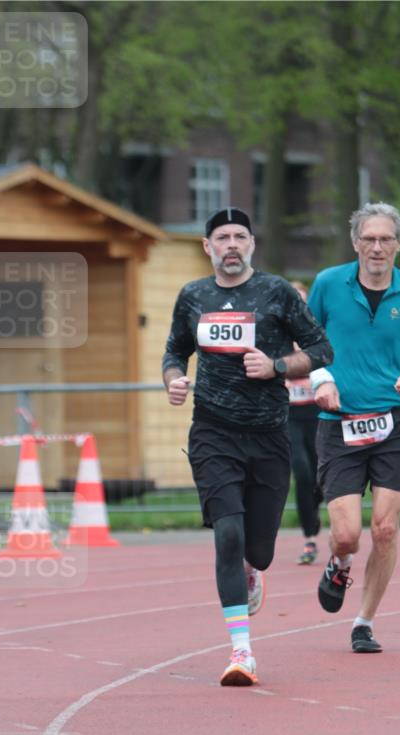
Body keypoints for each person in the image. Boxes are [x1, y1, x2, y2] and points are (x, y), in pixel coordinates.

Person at [162, 207, 333, 686]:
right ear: (208, 247)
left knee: (258, 550)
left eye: (240, 236)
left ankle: (254, 571)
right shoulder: (193, 296)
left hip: (269, 433)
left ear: (252, 244)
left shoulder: (276, 292)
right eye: (222, 237)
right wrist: (175, 380)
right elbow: (175, 351)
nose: (231, 244)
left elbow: (322, 351)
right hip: (213, 433)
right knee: (228, 534)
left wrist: (277, 367)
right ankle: (242, 651)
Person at [308, 202, 400, 653]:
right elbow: (304, 339)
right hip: (339, 424)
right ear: (355, 243)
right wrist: (322, 379)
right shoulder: (328, 284)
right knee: (349, 534)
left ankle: (364, 622)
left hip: (393, 423)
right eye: (368, 239)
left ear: (398, 244)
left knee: (385, 530)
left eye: (385, 239)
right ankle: (338, 562)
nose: (376, 247)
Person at [286, 281, 322, 565]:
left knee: (321, 476)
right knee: (302, 472)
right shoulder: (274, 334)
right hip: (288, 415)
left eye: (301, 299)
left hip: (319, 413)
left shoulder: (317, 333)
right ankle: (309, 538)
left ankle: (316, 508)